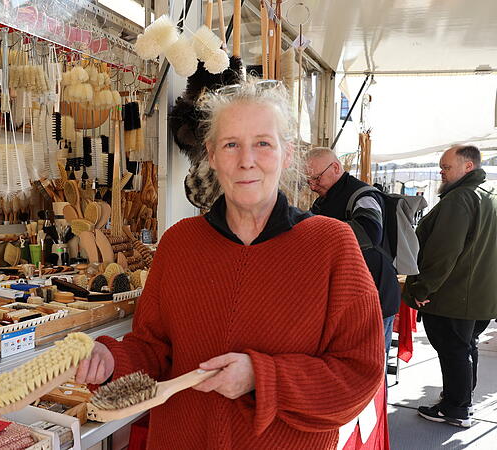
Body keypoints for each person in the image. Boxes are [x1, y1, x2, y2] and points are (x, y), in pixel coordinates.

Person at [75, 79, 384, 449]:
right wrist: (112, 359)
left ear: (287, 154)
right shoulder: (180, 243)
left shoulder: (331, 245)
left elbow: (358, 375)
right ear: (212, 155)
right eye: (231, 144)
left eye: (263, 144)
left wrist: (261, 377)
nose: (246, 160)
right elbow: (154, 350)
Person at [404, 145, 497, 428]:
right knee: (466, 346)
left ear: (468, 167)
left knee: (454, 349)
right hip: (480, 295)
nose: (441, 172)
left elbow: (444, 252)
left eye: (446, 167)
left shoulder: (460, 198)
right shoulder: (488, 196)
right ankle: (460, 397)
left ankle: (456, 408)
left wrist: (422, 289)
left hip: (455, 294)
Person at [305, 147, 401, 361]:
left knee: (371, 364)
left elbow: (369, 232)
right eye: (308, 181)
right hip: (345, 296)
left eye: (316, 178)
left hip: (375, 294)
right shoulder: (325, 199)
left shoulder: (363, 195)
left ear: (336, 168)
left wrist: (315, 229)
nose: (312, 186)